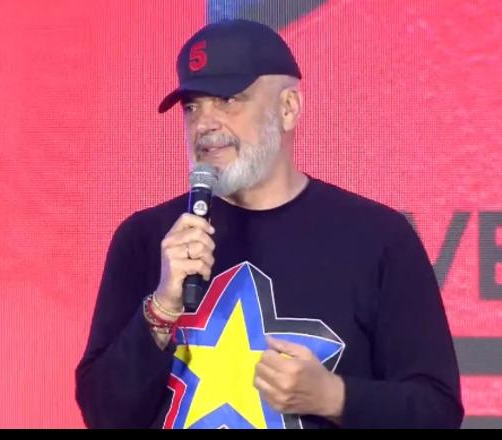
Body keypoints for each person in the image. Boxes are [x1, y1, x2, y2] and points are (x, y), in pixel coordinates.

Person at [75, 19, 463, 429]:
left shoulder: (379, 239)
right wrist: (162, 308)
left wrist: (334, 397)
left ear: (288, 108)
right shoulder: (146, 239)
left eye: (227, 100)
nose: (204, 124)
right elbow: (103, 415)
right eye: (192, 107)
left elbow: (436, 412)